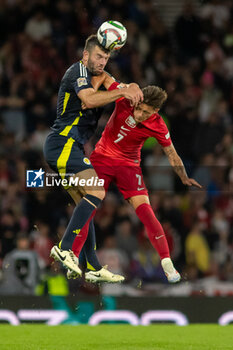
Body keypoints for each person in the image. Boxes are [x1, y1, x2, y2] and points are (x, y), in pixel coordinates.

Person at [69, 74, 202, 283]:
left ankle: (166, 261)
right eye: (138, 108)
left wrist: (184, 177)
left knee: (146, 211)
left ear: (155, 112)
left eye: (145, 112)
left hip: (129, 166)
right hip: (101, 159)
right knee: (88, 207)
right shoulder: (127, 96)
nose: (139, 114)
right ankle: (73, 255)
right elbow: (104, 77)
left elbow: (172, 154)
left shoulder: (158, 125)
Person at [43, 34, 143, 281]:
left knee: (86, 206)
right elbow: (88, 99)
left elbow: (120, 88)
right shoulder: (77, 71)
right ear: (86, 54)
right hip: (61, 144)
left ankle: (94, 266)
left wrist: (133, 88)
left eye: (106, 57)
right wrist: (122, 93)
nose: (102, 61)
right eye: (98, 56)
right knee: (97, 191)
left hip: (71, 147)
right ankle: (65, 249)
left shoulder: (102, 76)